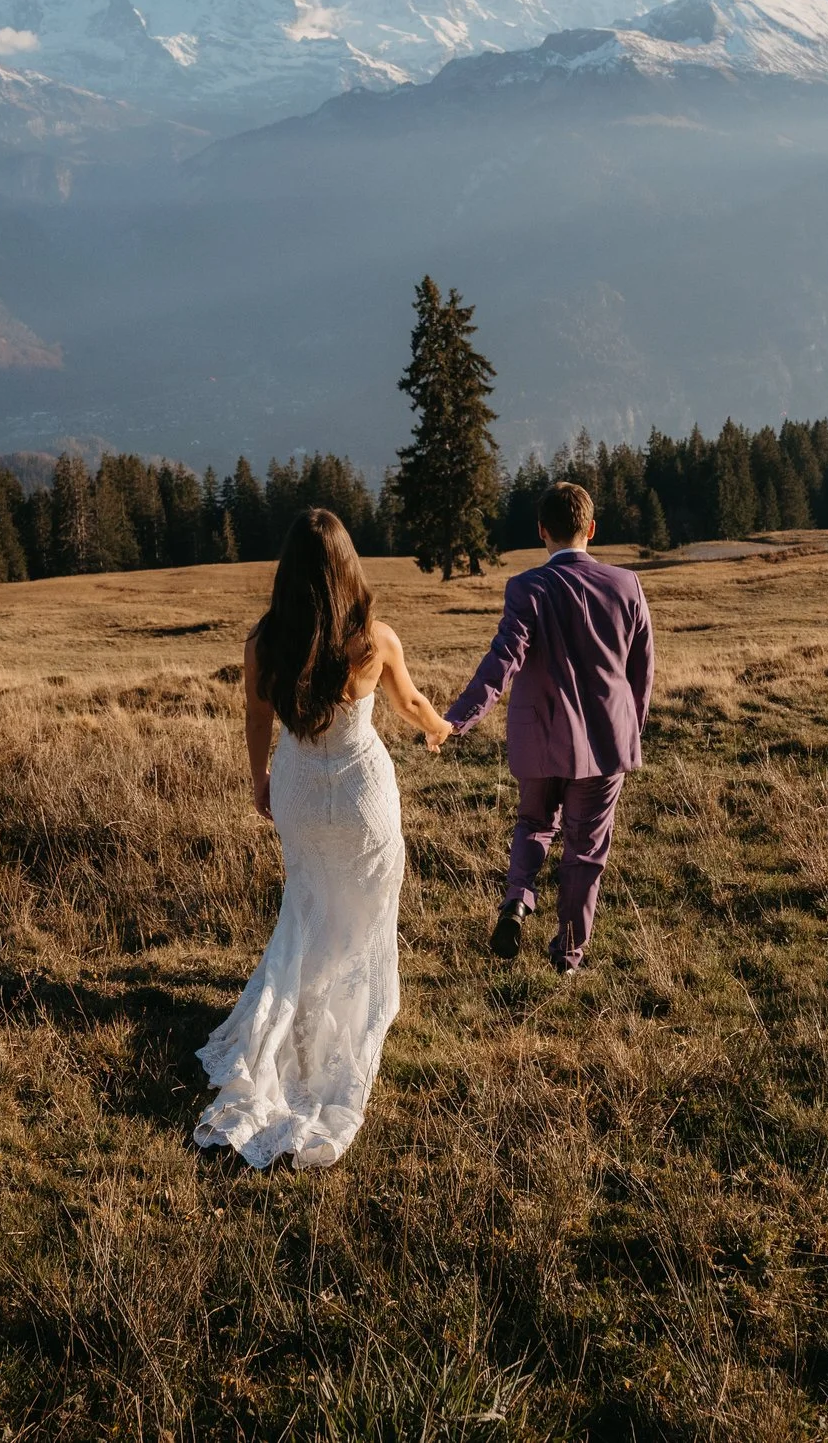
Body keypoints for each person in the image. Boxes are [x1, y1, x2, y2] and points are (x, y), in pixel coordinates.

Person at [192, 507, 451, 1168]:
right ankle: (349, 1008)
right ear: (347, 569)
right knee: (366, 904)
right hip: (363, 793)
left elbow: (255, 719)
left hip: (301, 789)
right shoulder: (374, 642)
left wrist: (262, 781)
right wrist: (440, 726)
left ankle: (296, 1014)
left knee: (308, 901)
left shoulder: (264, 643)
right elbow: (413, 704)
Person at [440, 481, 654, 975]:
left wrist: (456, 720)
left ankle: (517, 900)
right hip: (604, 745)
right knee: (585, 851)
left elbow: (502, 662)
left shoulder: (526, 588)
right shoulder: (627, 586)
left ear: (542, 532)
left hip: (539, 738)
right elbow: (642, 673)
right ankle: (568, 957)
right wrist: (631, 730)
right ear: (592, 529)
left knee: (534, 824)